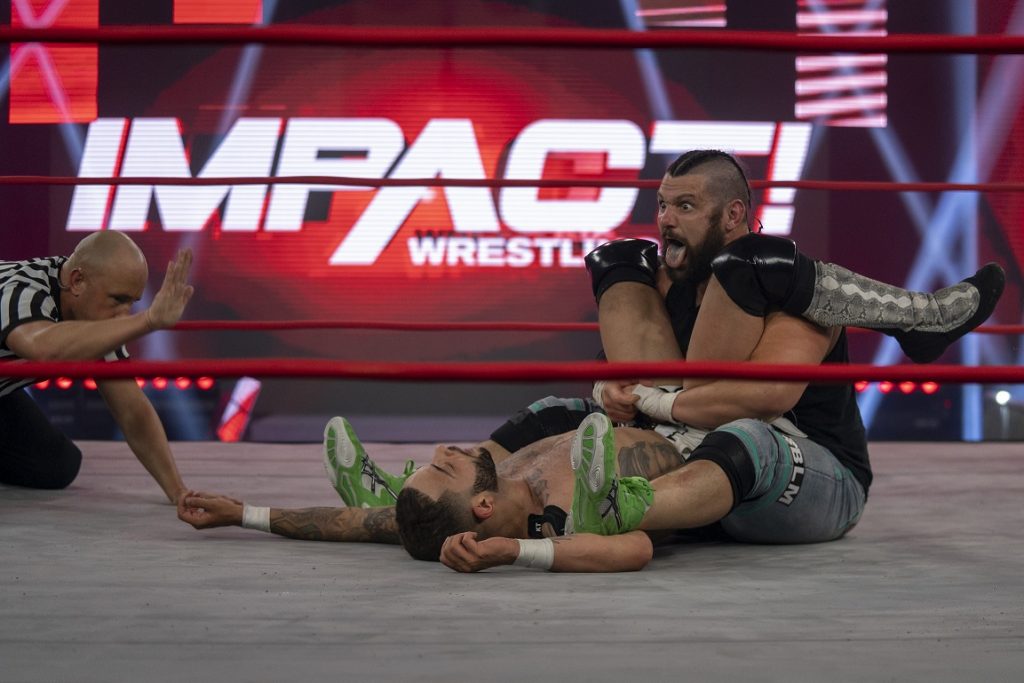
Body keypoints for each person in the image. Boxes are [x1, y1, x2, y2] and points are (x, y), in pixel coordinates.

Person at [0, 231, 195, 502]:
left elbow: (132, 410)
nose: (124, 315)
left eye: (132, 303)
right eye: (118, 299)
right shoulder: (21, 289)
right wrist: (148, 320)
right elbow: (42, 347)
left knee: (57, 464)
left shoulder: (94, 318)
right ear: (77, 281)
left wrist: (178, 491)